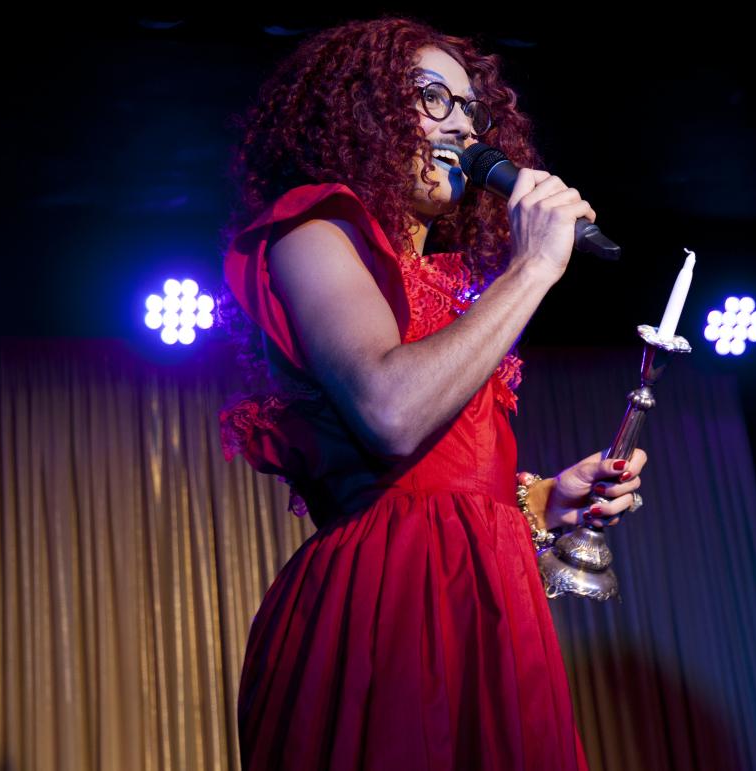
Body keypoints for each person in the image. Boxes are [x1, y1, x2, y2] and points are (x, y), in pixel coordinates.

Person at [217, 16, 647, 770]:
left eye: (470, 108)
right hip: (385, 608)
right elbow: (388, 412)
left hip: (488, 605)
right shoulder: (315, 230)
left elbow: (446, 483)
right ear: (363, 111)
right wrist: (534, 269)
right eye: (431, 99)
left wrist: (547, 500)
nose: (461, 126)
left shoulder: (456, 285)